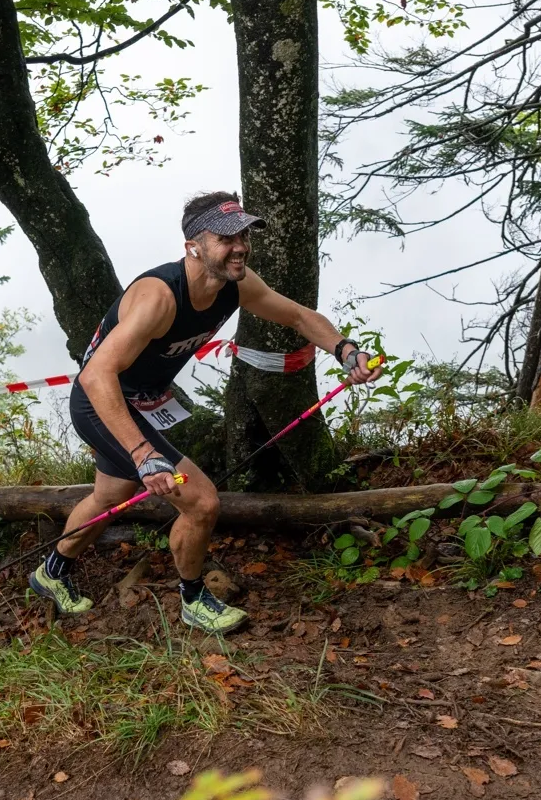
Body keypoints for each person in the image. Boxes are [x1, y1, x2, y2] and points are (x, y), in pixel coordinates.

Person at [29, 191, 380, 634]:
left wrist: (344, 348)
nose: (240, 246)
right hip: (102, 401)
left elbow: (296, 316)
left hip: (140, 400)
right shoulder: (160, 296)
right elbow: (96, 377)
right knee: (202, 502)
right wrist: (141, 453)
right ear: (193, 246)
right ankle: (194, 598)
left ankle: (51, 572)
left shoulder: (236, 283)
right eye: (225, 237)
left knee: (108, 496)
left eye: (244, 235)